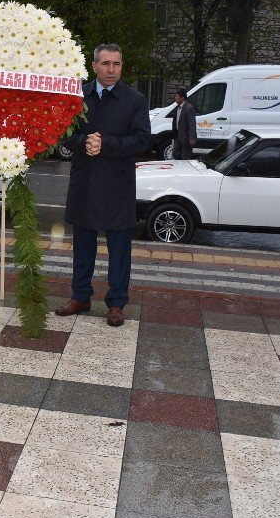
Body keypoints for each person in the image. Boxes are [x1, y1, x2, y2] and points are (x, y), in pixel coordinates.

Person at [57, 44, 152, 327]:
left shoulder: (134, 100)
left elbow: (142, 139)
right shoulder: (78, 97)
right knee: (82, 245)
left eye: (117, 64)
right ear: (94, 65)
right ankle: (80, 296)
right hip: (85, 183)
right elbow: (63, 132)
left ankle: (117, 302)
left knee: (119, 248)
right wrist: (84, 142)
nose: (112, 69)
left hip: (117, 185)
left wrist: (106, 144)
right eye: (106, 63)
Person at [172, 87, 197, 160]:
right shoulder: (178, 107)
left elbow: (192, 124)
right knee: (175, 153)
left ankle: (185, 169)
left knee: (185, 155)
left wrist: (192, 138)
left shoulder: (189, 108)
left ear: (182, 98)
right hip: (179, 135)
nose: (175, 98)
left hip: (186, 137)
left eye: (177, 96)